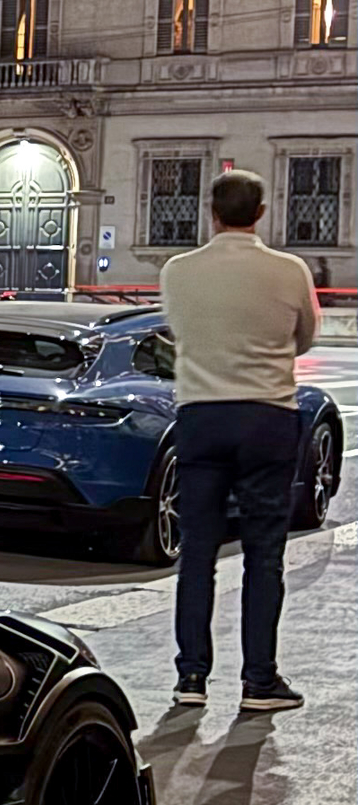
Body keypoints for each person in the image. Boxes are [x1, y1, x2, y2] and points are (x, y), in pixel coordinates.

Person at [158, 167, 321, 711]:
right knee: (264, 553)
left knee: (197, 552)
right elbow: (305, 337)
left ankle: (191, 677)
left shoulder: (178, 270)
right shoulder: (289, 270)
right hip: (267, 417)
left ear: (212, 213)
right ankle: (259, 681)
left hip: (201, 416)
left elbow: (179, 331)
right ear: (261, 213)